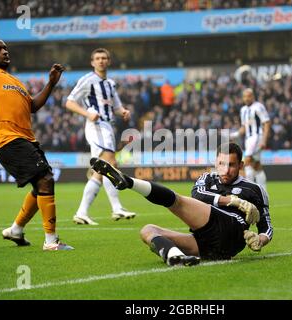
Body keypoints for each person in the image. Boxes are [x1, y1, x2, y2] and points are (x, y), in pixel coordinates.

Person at [0, 39, 73, 250]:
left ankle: (16, 230)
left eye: (5, 48)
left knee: (41, 186)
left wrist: (51, 83)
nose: (4, 51)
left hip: (27, 139)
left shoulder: (16, 82)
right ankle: (51, 241)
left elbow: (33, 106)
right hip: (7, 138)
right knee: (45, 180)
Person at [90, 142, 273, 266]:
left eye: (231, 165)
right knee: (147, 230)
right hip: (206, 243)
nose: (225, 170)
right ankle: (174, 256)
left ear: (241, 165)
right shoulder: (207, 178)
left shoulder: (255, 189)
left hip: (231, 230)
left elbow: (267, 228)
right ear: (215, 162)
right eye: (221, 164)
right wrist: (233, 201)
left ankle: (128, 182)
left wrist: (260, 240)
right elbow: (198, 195)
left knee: (177, 201)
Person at [65, 48, 136, 225]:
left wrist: (124, 112)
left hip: (107, 126)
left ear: (109, 61)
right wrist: (87, 114)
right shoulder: (88, 80)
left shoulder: (110, 84)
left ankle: (82, 212)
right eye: (97, 58)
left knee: (100, 171)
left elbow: (116, 107)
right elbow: (69, 102)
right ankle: (117, 207)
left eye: (104, 58)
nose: (101, 61)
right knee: (111, 163)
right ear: (92, 62)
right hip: (96, 126)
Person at [231, 88, 271, 190]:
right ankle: (263, 192)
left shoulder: (258, 107)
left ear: (253, 96)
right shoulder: (243, 110)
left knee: (247, 162)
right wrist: (234, 135)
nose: (247, 98)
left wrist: (264, 140)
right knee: (257, 166)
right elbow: (244, 127)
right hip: (248, 139)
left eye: (249, 96)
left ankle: (251, 191)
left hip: (257, 137)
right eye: (245, 96)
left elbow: (266, 122)